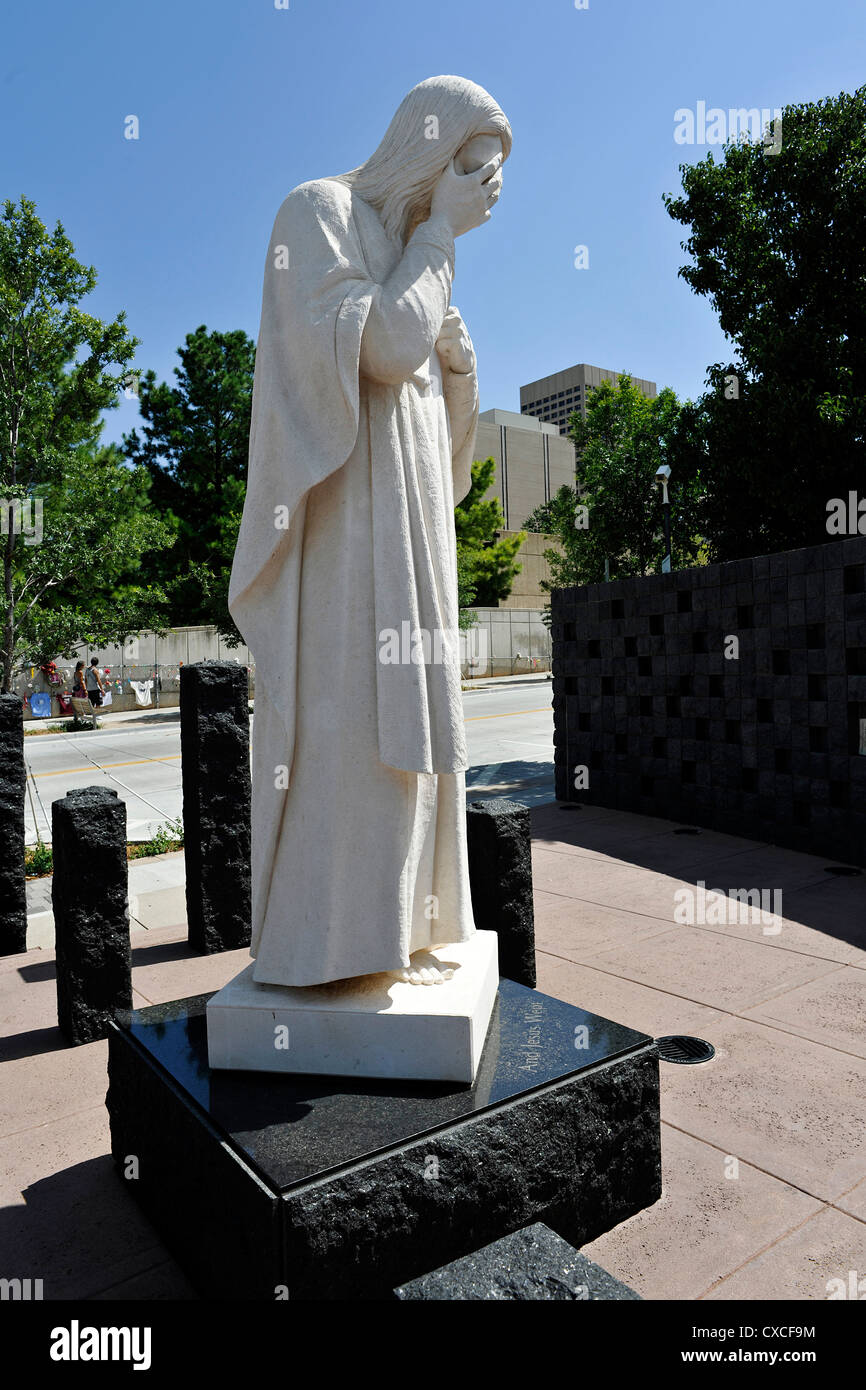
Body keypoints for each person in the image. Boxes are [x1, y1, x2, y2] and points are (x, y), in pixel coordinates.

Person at [229, 75, 510, 988]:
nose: (488, 188)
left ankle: (408, 933)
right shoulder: (319, 213)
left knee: (423, 738)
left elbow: (448, 464)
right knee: (359, 743)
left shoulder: (415, 259)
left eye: (495, 173)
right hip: (349, 554)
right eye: (474, 165)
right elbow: (385, 349)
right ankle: (333, 950)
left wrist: (462, 374)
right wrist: (437, 243)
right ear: (428, 149)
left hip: (417, 549)